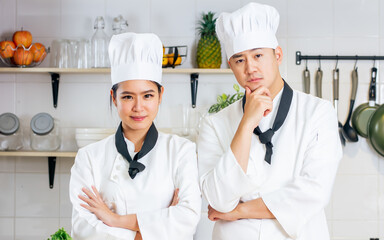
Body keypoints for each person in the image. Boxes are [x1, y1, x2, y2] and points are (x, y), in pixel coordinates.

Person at [197, 3, 342, 240]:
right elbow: (219, 199)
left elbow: (314, 192)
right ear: (231, 66)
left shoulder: (318, 112)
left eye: (257, 55)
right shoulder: (215, 124)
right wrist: (246, 125)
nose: (250, 68)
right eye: (239, 60)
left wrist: (240, 210)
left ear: (278, 55)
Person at [69, 32, 201, 240]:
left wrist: (114, 219)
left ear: (160, 96)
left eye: (148, 95)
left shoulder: (181, 150)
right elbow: (83, 227)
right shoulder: (89, 157)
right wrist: (150, 231)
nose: (138, 107)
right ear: (114, 98)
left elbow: (187, 219)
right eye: (128, 96)